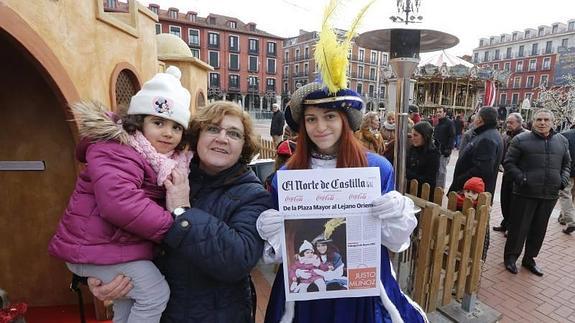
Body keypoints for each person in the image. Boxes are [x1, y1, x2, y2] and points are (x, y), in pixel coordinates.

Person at [87, 101, 275, 322]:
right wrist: (99, 272)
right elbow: (111, 219)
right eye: (213, 129)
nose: (222, 138)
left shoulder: (253, 194)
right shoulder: (165, 173)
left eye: (234, 134)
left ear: (244, 147)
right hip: (159, 313)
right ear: (196, 137)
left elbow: (237, 260)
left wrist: (182, 212)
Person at [48, 66, 192, 323]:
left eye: (176, 127)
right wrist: (174, 228)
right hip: (94, 247)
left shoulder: (163, 161)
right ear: (138, 122)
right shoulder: (118, 149)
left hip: (111, 248)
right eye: (158, 122)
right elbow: (120, 202)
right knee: (155, 294)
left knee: (127, 304)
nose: (168, 132)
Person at [503, 109, 571, 276]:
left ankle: (529, 259)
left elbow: (567, 164)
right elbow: (509, 163)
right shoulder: (521, 139)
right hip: (525, 193)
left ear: (552, 122)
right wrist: (522, 179)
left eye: (546, 120)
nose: (542, 123)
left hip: (549, 194)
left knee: (539, 229)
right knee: (519, 228)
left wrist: (561, 181)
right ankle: (511, 257)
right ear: (533, 121)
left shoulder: (561, 141)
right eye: (539, 119)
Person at [448, 106, 503, 198]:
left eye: (476, 116)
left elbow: (481, 170)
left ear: (480, 119)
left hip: (471, 193)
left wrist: (459, 181)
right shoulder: (489, 134)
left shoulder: (487, 139)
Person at [493, 113, 527, 234]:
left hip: (517, 174)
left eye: (511, 123)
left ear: (519, 123)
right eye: (507, 122)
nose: (508, 125)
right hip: (507, 173)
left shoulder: (525, 136)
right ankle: (505, 222)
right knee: (505, 199)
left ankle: (512, 227)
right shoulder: (506, 136)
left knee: (514, 202)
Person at [406, 121, 440, 198]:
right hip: (409, 191)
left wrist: (408, 174)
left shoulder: (433, 154)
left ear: (425, 136)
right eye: (412, 135)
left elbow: (430, 179)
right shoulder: (412, 148)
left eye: (415, 135)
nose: (412, 138)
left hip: (424, 194)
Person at [558, 124, 575, 234]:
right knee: (572, 195)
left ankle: (571, 221)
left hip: (569, 170)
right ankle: (563, 217)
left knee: (565, 194)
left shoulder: (565, 135)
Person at [433, 106, 455, 189]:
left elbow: (452, 136)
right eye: (437, 112)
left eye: (440, 112)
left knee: (441, 171)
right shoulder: (438, 123)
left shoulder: (449, 123)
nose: (438, 113)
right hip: (437, 150)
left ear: (444, 113)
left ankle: (440, 188)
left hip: (444, 151)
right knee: (437, 170)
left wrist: (448, 149)